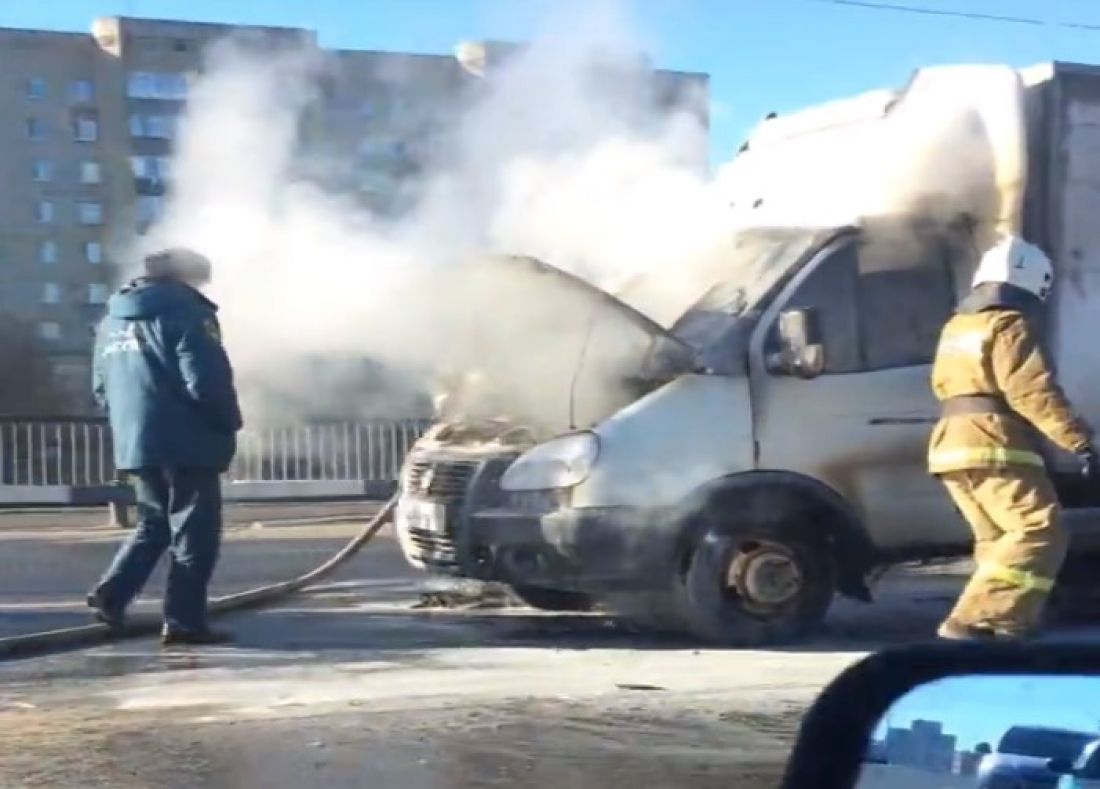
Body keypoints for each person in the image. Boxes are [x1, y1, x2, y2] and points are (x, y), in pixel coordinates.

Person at [928, 235, 1097, 641]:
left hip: (950, 444)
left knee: (998, 542)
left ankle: (1000, 633)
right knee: (1040, 530)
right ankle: (971, 623)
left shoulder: (957, 327)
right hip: (993, 442)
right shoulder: (1008, 324)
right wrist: (1079, 441)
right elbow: (1030, 390)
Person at [87, 247, 243, 645]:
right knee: (195, 533)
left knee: (153, 524)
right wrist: (229, 422)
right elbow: (204, 379)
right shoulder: (189, 312)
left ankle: (112, 594)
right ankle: (184, 621)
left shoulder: (110, 322)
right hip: (187, 441)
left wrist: (131, 426)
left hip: (136, 441)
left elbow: (101, 388)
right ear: (187, 278)